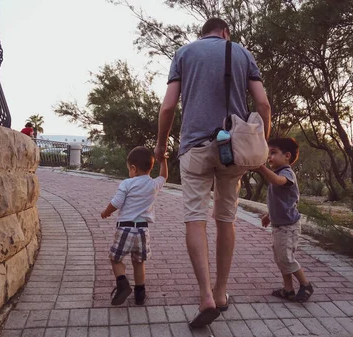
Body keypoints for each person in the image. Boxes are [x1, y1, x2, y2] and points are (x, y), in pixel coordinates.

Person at [154, 18, 271, 327]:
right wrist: (260, 142)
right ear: (225, 33)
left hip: (194, 148)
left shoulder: (184, 53)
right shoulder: (242, 53)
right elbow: (263, 103)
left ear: (202, 34)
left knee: (195, 218)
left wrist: (159, 146)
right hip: (232, 148)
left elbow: (167, 108)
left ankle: (205, 295)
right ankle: (221, 293)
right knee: (226, 219)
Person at [101, 146, 168, 306]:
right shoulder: (153, 185)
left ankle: (122, 284)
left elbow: (116, 203)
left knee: (115, 258)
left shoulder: (127, 183)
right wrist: (163, 160)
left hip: (125, 229)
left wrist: (106, 212)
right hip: (143, 230)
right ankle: (140, 294)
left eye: (129, 169)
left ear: (133, 168)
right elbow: (164, 176)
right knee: (139, 262)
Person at [254, 138, 314, 303]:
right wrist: (269, 215)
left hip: (289, 227)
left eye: (273, 153)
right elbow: (279, 202)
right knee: (281, 259)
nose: (269, 157)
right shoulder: (279, 173)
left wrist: (261, 168)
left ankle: (306, 284)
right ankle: (288, 289)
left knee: (286, 259)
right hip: (280, 225)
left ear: (287, 156)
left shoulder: (286, 173)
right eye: (269, 154)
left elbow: (278, 181)